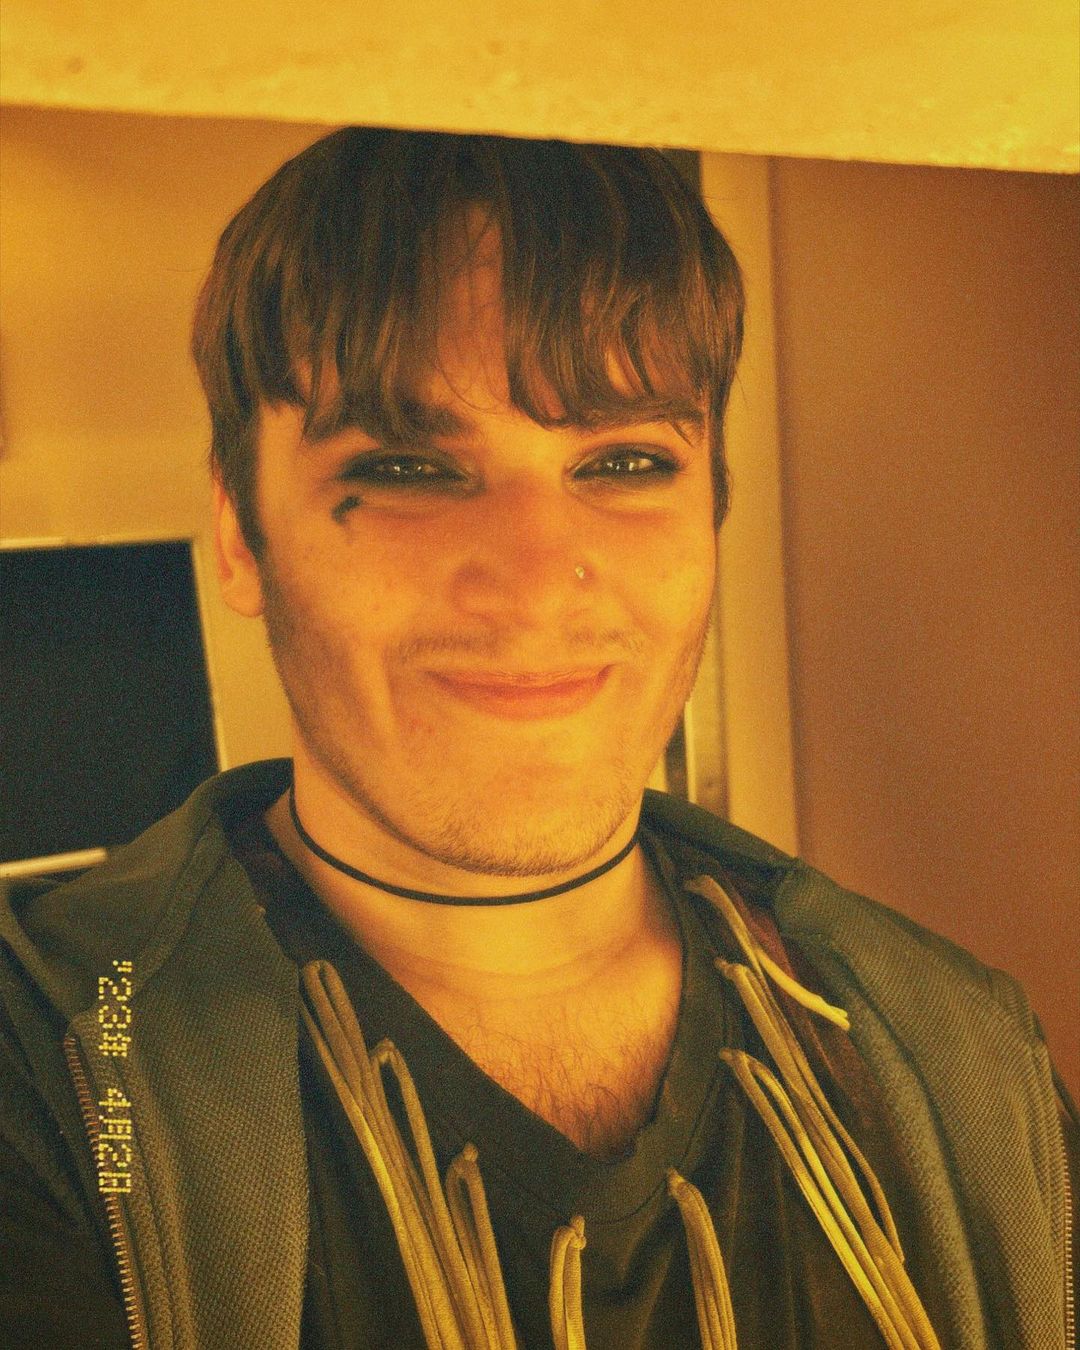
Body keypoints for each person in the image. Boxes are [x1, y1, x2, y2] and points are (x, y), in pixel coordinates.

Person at [0, 128, 1075, 1350]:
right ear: (242, 536)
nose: (533, 582)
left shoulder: (962, 1053)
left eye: (625, 461)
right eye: (408, 467)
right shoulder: (60, 1063)